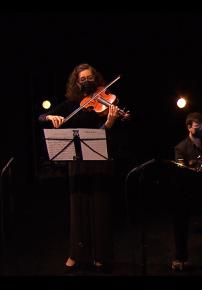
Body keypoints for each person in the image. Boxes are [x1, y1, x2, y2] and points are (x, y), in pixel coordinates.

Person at [38, 63, 126, 273]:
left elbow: (112, 136)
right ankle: (76, 254)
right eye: (82, 79)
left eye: (90, 78)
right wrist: (50, 117)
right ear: (76, 83)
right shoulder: (70, 104)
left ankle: (100, 255)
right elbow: (41, 118)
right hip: (77, 163)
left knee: (100, 207)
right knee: (77, 208)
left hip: (99, 161)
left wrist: (109, 124)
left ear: (95, 79)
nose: (87, 81)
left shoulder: (106, 101)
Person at [171, 112, 202, 270]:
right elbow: (181, 171)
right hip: (188, 189)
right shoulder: (181, 147)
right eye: (198, 125)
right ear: (189, 127)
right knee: (180, 216)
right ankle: (180, 256)